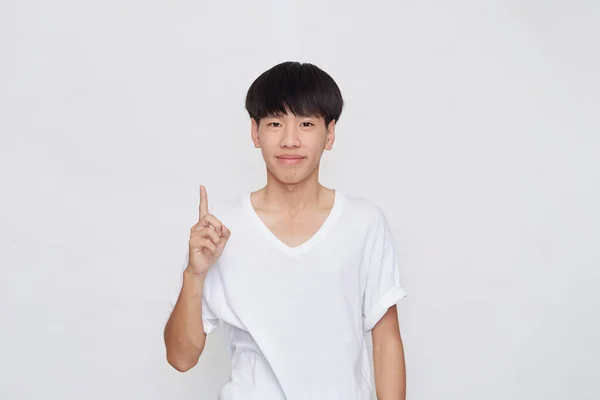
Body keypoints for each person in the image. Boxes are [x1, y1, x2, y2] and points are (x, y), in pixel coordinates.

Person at [164, 61, 408, 399]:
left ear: (330, 133)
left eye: (306, 123)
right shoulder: (222, 227)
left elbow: (386, 342)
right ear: (255, 132)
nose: (290, 140)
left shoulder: (363, 222)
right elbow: (181, 358)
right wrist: (194, 274)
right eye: (275, 123)